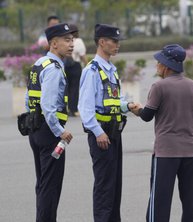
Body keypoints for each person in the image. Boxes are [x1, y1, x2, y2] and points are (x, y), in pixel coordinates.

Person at [131, 44, 193, 222]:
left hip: (166, 155)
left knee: (159, 203)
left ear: (167, 66)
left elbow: (147, 116)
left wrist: (137, 109)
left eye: (158, 62)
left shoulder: (159, 87)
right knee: (191, 204)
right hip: (191, 154)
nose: (156, 65)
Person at [78, 24, 136, 222]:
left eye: (118, 41)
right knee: (104, 186)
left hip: (114, 134)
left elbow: (111, 100)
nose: (117, 45)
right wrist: (97, 132)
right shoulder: (92, 71)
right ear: (102, 42)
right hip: (101, 136)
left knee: (115, 185)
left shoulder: (111, 69)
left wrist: (128, 105)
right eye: (114, 41)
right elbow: (85, 108)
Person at [26, 23, 74, 222]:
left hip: (35, 129)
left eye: (72, 40)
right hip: (49, 134)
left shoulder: (39, 64)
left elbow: (30, 99)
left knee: (43, 183)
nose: (71, 44)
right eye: (66, 40)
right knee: (50, 187)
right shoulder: (54, 69)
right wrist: (59, 130)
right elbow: (48, 105)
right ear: (54, 44)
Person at [65, 24, 87, 116]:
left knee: (67, 88)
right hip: (75, 65)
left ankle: (65, 108)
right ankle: (72, 109)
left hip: (65, 66)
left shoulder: (65, 41)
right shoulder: (78, 41)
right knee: (74, 88)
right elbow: (82, 56)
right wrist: (87, 65)